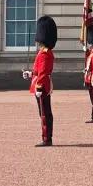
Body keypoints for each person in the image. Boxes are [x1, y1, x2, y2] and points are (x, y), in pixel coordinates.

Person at [22, 15, 57, 147]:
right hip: (40, 84)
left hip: (42, 86)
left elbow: (43, 73)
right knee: (43, 112)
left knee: (44, 113)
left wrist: (39, 87)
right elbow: (38, 71)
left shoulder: (45, 54)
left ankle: (47, 138)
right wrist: (30, 74)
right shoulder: (43, 52)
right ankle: (46, 136)